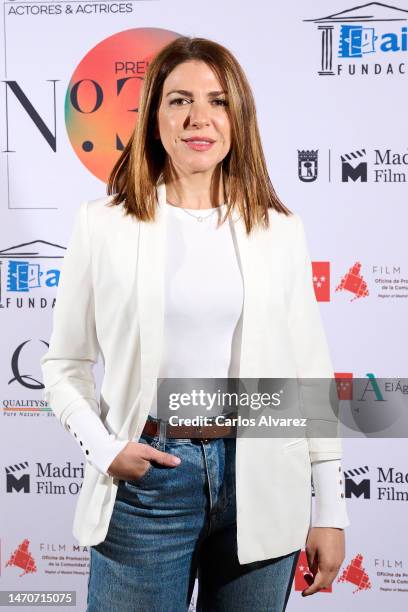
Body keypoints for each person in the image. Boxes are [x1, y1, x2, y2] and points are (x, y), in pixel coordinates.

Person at [40, 36, 350, 611]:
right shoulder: (103, 224)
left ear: (239, 117)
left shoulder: (279, 228)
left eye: (218, 101)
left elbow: (310, 370)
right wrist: (105, 448)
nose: (198, 118)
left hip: (262, 476)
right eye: (179, 100)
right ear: (154, 116)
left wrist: (330, 508)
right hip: (148, 483)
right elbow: (63, 364)